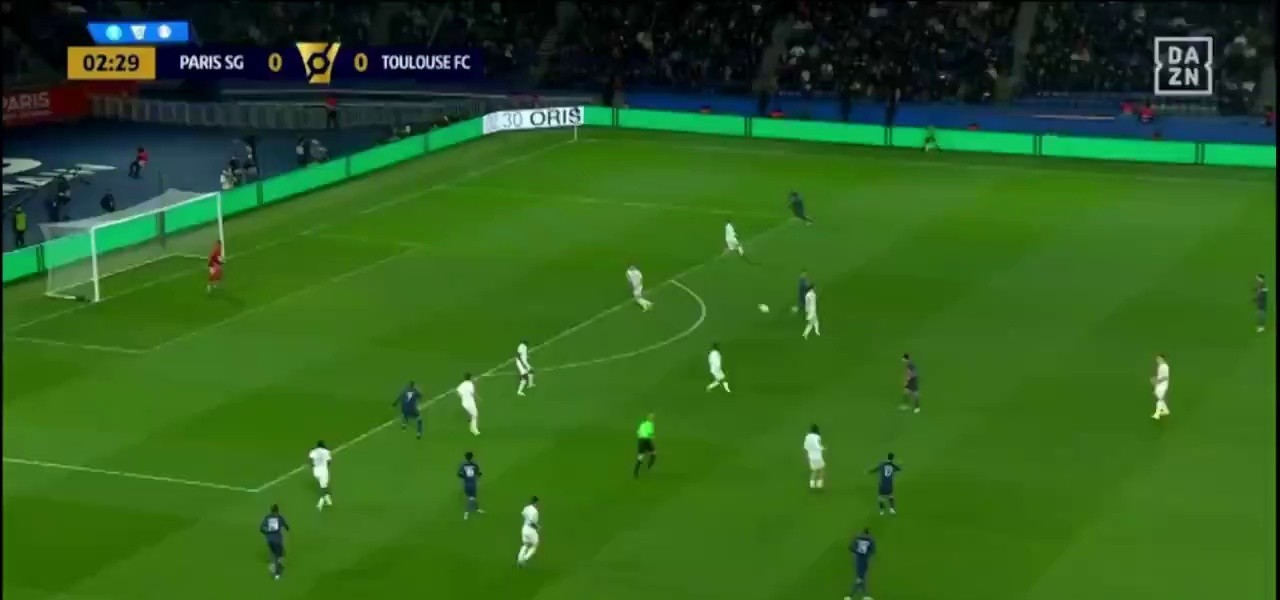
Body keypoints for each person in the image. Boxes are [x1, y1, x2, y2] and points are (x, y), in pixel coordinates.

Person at [308, 441, 334, 510]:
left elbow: (310, 460)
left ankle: (328, 500)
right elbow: (329, 461)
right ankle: (321, 502)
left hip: (316, 471)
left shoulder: (313, 451)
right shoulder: (326, 451)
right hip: (323, 471)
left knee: (323, 485)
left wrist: (313, 466)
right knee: (324, 487)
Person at [633, 413, 657, 478]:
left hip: (640, 440)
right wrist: (652, 436)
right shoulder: (650, 424)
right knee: (653, 453)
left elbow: (638, 431)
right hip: (646, 440)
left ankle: (636, 471)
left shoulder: (642, 423)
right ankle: (649, 465)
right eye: (652, 417)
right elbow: (650, 434)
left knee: (640, 456)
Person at [803, 424, 825, 490]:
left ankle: (812, 485)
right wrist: (822, 448)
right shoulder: (817, 436)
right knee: (821, 470)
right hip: (817, 455)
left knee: (814, 470)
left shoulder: (807, 436)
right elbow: (817, 446)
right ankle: (819, 485)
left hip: (810, 455)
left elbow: (805, 446)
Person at [1151, 354, 1171, 420]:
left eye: (1159, 358)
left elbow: (1165, 377)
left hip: (1162, 386)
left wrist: (1157, 381)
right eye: (1157, 359)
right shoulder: (1160, 366)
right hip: (1159, 385)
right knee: (1160, 399)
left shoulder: (1164, 367)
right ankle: (1166, 411)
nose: (1157, 360)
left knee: (1160, 400)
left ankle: (1157, 414)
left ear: (1162, 359)